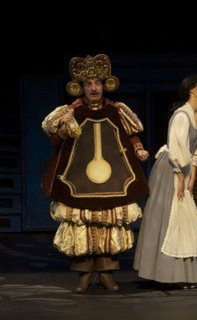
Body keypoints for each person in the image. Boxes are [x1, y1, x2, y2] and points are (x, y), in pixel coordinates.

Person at [41, 54, 149, 292]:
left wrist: (139, 149)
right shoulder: (72, 111)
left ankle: (106, 273)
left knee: (108, 225)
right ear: (80, 87)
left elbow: (130, 135)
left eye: (97, 83)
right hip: (79, 180)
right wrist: (65, 126)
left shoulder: (115, 110)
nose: (93, 88)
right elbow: (55, 142)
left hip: (112, 179)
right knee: (82, 225)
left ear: (104, 85)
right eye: (88, 84)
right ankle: (84, 274)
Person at [133, 73, 197, 289]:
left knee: (187, 219)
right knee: (170, 216)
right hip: (170, 170)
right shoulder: (181, 115)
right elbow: (177, 148)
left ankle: (187, 273)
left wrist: (192, 175)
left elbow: (196, 153)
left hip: (185, 169)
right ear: (191, 90)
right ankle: (168, 273)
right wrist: (180, 176)